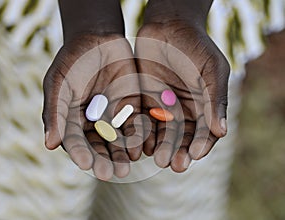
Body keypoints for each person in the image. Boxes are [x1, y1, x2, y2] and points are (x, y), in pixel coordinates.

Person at [42, 0, 230, 181]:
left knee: (167, 186)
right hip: (67, 18)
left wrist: (175, 15)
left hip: (195, 15)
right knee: (60, 176)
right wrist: (91, 26)